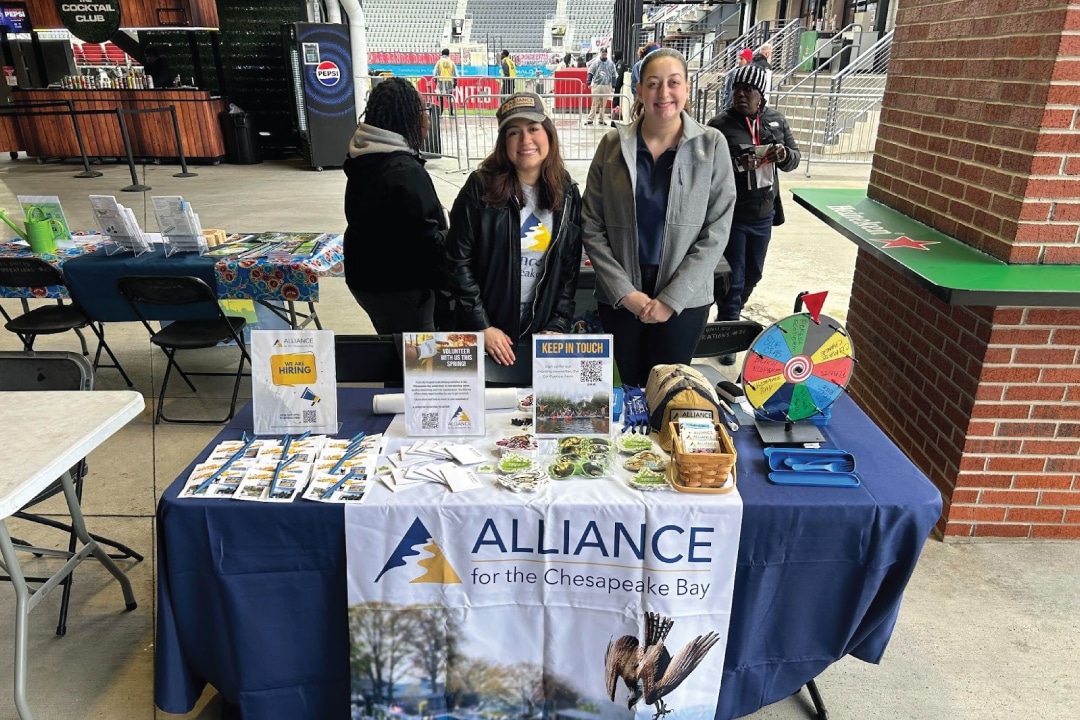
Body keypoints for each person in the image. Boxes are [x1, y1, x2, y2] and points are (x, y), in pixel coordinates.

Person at [581, 48, 736, 387]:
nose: (663, 94)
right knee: (631, 390)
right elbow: (591, 225)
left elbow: (718, 229)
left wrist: (672, 298)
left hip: (684, 298)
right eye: (653, 84)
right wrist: (625, 293)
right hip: (621, 296)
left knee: (668, 392)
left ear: (687, 88)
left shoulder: (711, 145)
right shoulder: (611, 145)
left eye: (673, 83)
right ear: (638, 90)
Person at [444, 92, 583, 367]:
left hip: (540, 327)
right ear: (503, 142)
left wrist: (557, 323)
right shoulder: (480, 187)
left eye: (533, 129)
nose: (525, 141)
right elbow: (457, 262)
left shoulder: (567, 192)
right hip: (488, 328)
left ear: (549, 134)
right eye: (513, 132)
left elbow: (568, 269)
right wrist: (482, 326)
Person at [707, 64, 800, 364]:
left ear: (761, 94)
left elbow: (794, 158)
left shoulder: (776, 121)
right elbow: (706, 168)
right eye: (736, 88)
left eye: (748, 89)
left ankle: (728, 315)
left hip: (764, 213)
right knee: (734, 276)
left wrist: (784, 155)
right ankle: (729, 333)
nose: (741, 94)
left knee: (754, 273)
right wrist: (737, 164)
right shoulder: (719, 124)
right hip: (732, 215)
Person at [343, 77, 447, 334]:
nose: (427, 119)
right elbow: (426, 244)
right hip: (399, 285)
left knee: (394, 343)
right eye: (424, 111)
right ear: (410, 117)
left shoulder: (364, 158)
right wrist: (457, 234)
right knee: (419, 358)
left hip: (365, 278)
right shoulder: (404, 171)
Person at [585, 47, 616, 126]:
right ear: (600, 53)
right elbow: (590, 72)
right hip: (597, 85)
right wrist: (588, 82)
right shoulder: (596, 62)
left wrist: (613, 85)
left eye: (605, 53)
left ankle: (601, 119)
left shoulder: (610, 63)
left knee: (603, 104)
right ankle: (590, 119)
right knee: (594, 103)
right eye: (602, 53)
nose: (604, 54)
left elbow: (613, 75)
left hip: (606, 85)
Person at [432, 48, 457, 115]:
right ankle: (451, 111)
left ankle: (441, 111)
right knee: (449, 97)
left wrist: (435, 80)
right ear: (448, 54)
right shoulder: (451, 62)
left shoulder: (439, 62)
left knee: (441, 97)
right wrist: (455, 82)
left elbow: (435, 72)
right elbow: (455, 73)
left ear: (442, 54)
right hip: (449, 81)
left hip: (441, 81)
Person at [610, 49, 628, 122]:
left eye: (614, 54)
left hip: (618, 85)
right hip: (617, 85)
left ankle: (615, 113)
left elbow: (618, 75)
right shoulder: (618, 63)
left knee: (616, 99)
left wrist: (615, 85)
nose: (613, 56)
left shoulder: (619, 64)